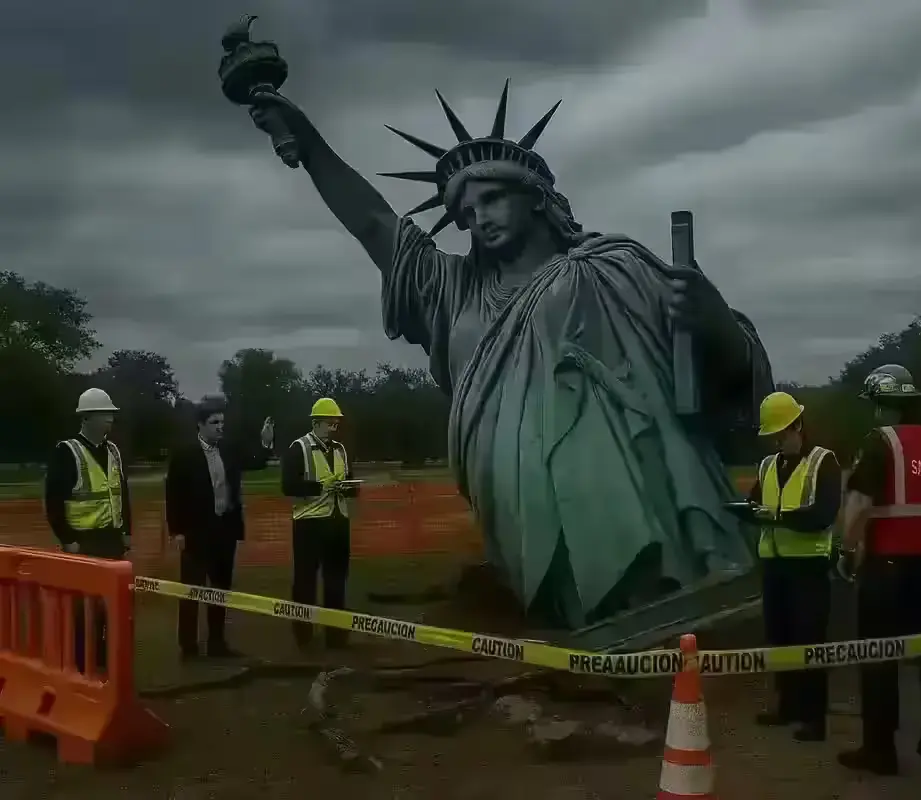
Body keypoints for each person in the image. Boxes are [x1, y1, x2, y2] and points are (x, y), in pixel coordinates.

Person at [240, 81, 772, 630]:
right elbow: (376, 224)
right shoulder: (452, 289)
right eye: (466, 213)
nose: (478, 219)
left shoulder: (613, 267)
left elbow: (727, 376)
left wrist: (713, 319)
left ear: (536, 195)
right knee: (574, 619)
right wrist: (309, 143)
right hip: (517, 504)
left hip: (638, 491)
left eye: (491, 199)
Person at [835, 364, 921, 775]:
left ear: (883, 405)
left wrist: (846, 548)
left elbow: (859, 503)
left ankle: (880, 750)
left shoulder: (881, 443)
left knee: (879, 655)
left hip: (886, 566)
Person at [734, 391, 841, 742]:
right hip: (775, 566)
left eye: (783, 434)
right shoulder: (769, 466)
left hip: (809, 567)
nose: (779, 441)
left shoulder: (824, 462)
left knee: (810, 641)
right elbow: (755, 505)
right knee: (779, 638)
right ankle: (788, 706)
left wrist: (779, 517)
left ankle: (814, 717)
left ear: (798, 426)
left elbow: (823, 515)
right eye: (774, 436)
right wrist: (742, 511)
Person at [165, 394, 275, 660]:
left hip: (224, 531)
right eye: (214, 422)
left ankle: (217, 643)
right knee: (191, 591)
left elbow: (257, 461)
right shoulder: (184, 455)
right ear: (200, 426)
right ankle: (188, 647)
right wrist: (177, 531)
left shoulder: (230, 450)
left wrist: (266, 441)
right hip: (195, 533)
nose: (220, 427)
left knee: (220, 589)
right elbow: (173, 494)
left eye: (222, 422)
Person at [43, 387, 131, 673]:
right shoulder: (67, 452)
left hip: (111, 540)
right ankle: (81, 662)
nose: (110, 420)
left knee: (111, 608)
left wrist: (126, 529)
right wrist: (68, 540)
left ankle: (103, 658)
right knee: (84, 610)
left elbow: (121, 492)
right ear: (87, 417)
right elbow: (54, 501)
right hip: (83, 543)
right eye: (106, 414)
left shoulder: (113, 451)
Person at [280, 398, 359, 649]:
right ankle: (303, 634)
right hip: (309, 524)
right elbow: (288, 486)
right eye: (330, 423)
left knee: (336, 580)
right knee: (305, 581)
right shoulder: (298, 448)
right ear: (316, 423)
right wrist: (320, 487)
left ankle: (336, 634)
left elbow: (350, 481)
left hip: (338, 521)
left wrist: (348, 488)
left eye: (336, 423)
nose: (334, 427)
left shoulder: (340, 450)